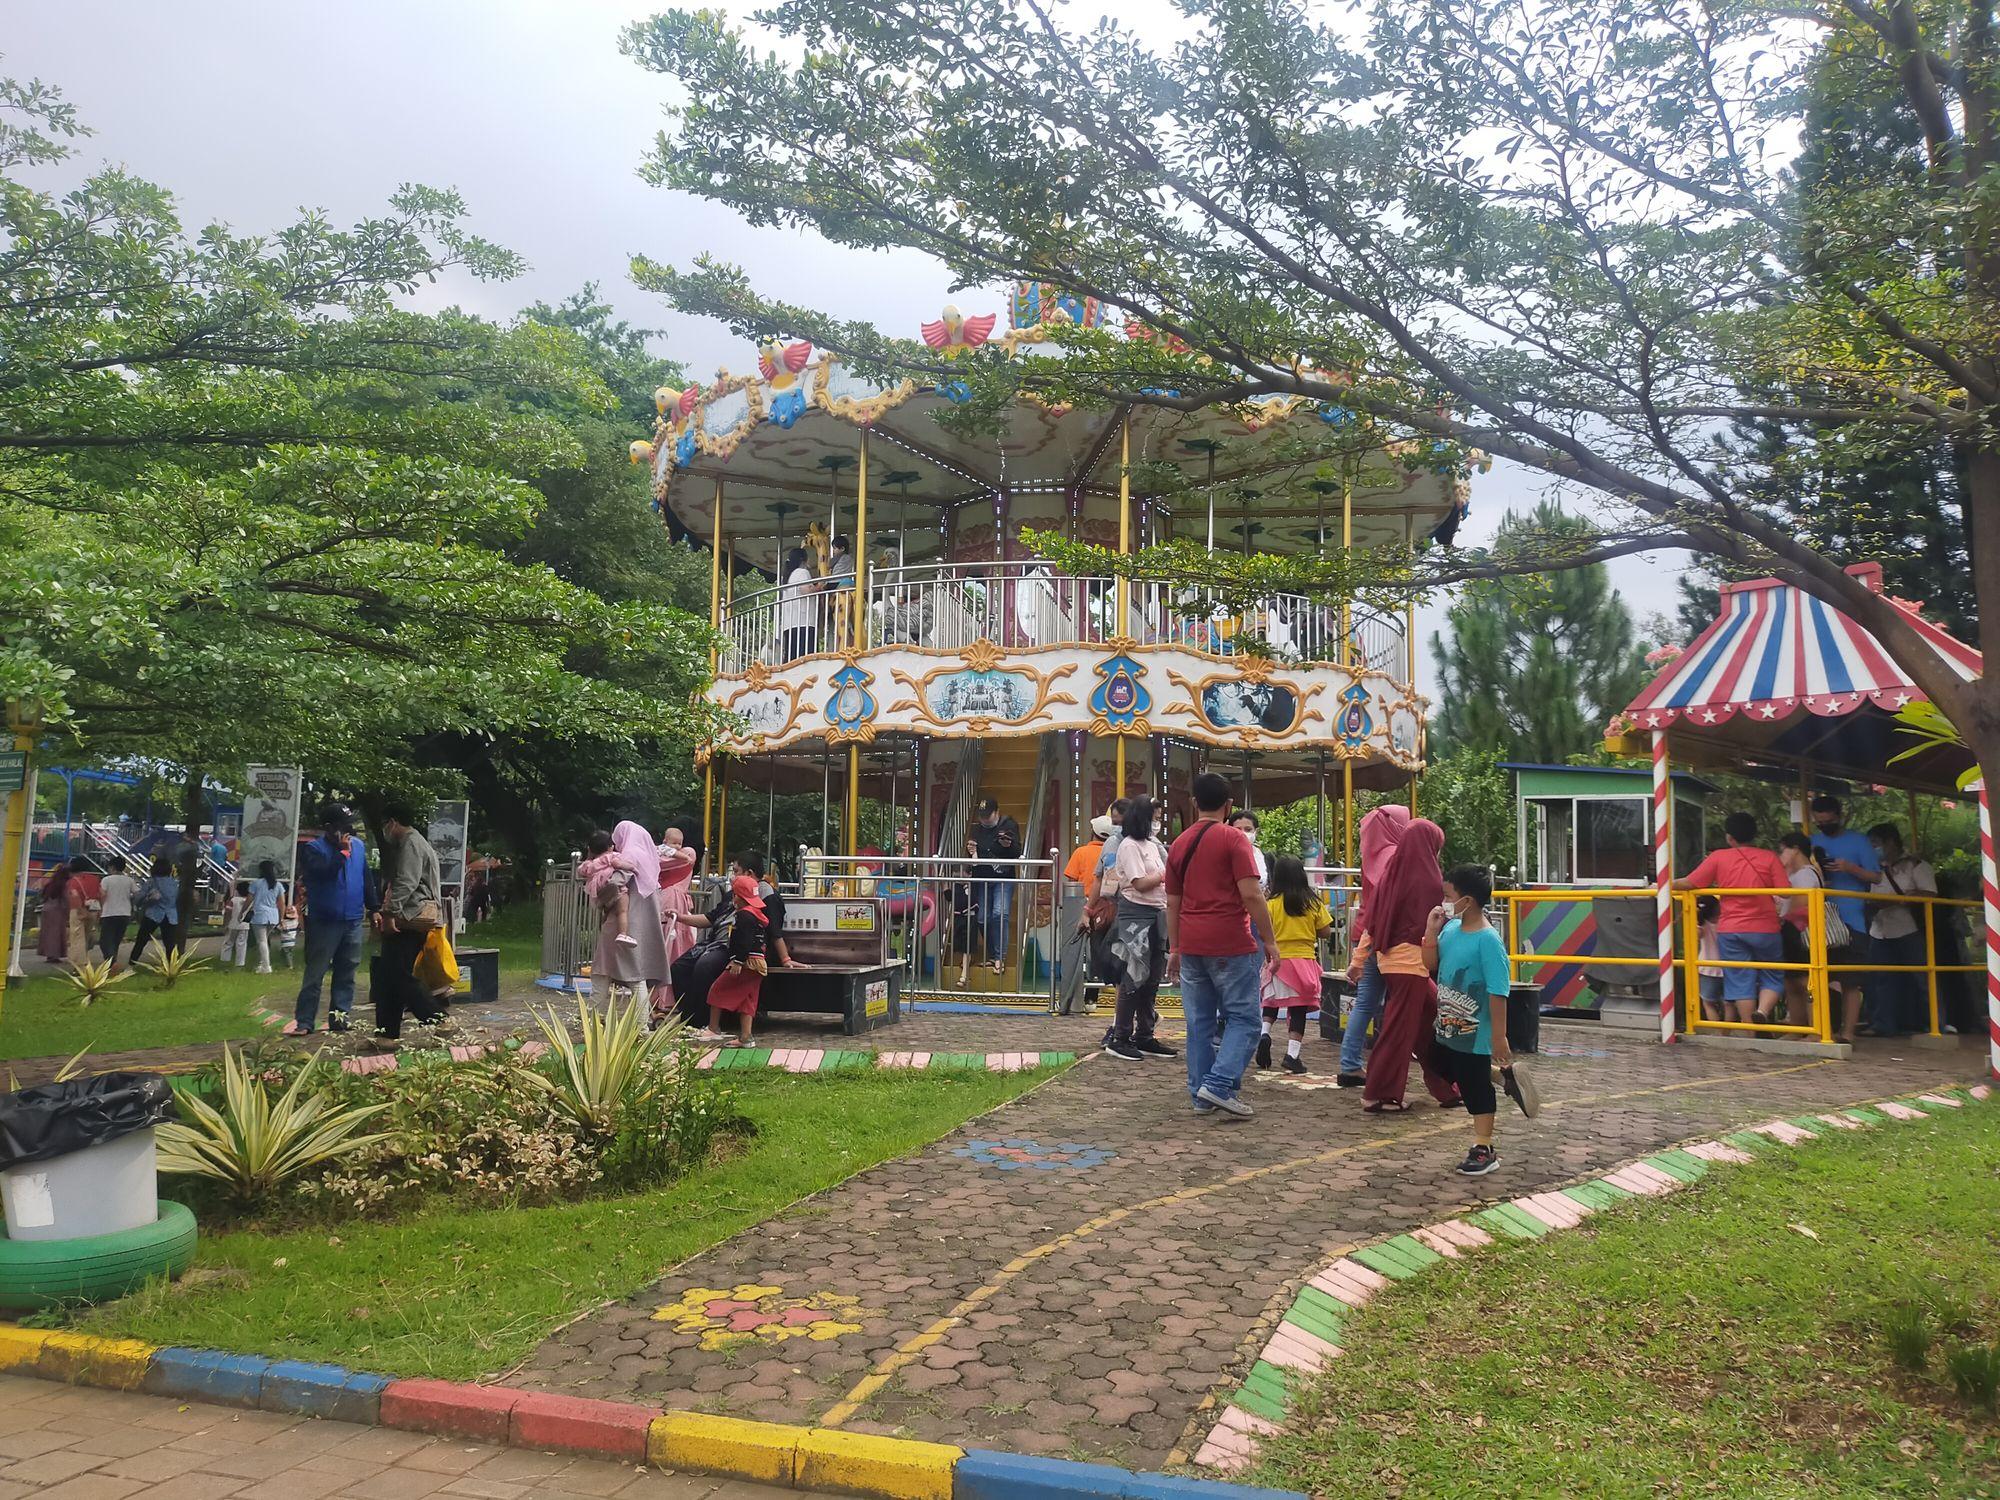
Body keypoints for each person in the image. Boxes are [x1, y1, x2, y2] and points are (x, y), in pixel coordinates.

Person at [1165, 772, 1280, 1118]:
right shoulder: (1235, 840)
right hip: (1231, 940)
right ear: (1229, 806)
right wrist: (1271, 941)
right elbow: (1250, 893)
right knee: (1244, 1018)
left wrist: (1175, 947)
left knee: (1199, 1022)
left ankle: (1201, 1095)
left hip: (1192, 941)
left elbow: (1172, 901)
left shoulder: (1179, 844)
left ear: (1195, 803)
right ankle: (1218, 1084)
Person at [1425, 863, 1533, 1176]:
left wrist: (1498, 1037)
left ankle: (1484, 1147)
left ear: (1468, 901)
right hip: (1447, 1024)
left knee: (1473, 1087)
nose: (1444, 902)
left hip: (1475, 1031)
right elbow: (1430, 964)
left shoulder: (1488, 941)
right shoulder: (1450, 930)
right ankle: (1503, 1078)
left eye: (1448, 896)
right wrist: (1430, 932)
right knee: (1439, 1064)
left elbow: (1498, 991)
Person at [1360, 818, 1460, 1113]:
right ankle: (1379, 1094)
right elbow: (1438, 923)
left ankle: (1447, 1088)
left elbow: (1372, 922)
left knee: (1431, 1022)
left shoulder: (1390, 874)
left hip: (1389, 959)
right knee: (1401, 1030)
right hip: (1411, 963)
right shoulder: (1429, 879)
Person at [1675, 811, 1789, 1028]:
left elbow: (1691, 883)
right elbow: (1785, 893)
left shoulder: (1719, 857)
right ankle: (1762, 1012)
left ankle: (1749, 1028)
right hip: (1765, 927)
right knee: (1773, 974)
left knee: (1739, 978)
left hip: (1730, 929)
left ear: (1729, 837)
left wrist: (1664, 884)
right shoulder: (1769, 857)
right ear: (1754, 834)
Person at [289, 802, 374, 1036]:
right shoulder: (314, 849)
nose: (347, 830)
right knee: (316, 973)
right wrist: (342, 854)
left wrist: (374, 907)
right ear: (329, 827)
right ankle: (305, 1021)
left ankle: (340, 1018)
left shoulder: (358, 846)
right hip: (324, 920)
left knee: (347, 971)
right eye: (342, 826)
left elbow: (366, 879)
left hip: (353, 919)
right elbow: (323, 873)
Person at [1101, 797, 1176, 1061]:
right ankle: (1121, 1036)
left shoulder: (1151, 846)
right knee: (1133, 977)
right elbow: (1140, 882)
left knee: (1152, 979)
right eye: (1154, 817)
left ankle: (1145, 1034)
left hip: (1157, 913)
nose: (1157, 823)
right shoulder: (1130, 846)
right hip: (1136, 914)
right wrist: (1166, 875)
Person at [1341, 805, 1410, 1088]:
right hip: (1385, 938)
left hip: (1366, 934)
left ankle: (1349, 1064)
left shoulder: (1373, 853)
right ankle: (1388, 1065)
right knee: (1396, 1003)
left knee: (1366, 1003)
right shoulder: (1393, 855)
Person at [1810, 795, 1881, 1044]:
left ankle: (1848, 1032)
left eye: (1828, 821)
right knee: (1819, 977)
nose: (1824, 826)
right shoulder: (1813, 842)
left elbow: (1876, 877)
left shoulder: (1859, 841)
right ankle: (1821, 1030)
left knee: (1851, 980)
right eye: (1819, 822)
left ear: (1839, 817)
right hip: (1822, 919)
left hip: (1853, 920)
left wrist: (1850, 869)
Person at [374, 803, 445, 1042]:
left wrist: (390, 913)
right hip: (408, 915)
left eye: (385, 825)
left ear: (393, 823)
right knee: (388, 977)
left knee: (398, 974)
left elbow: (407, 881)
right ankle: (386, 1033)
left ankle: (437, 1018)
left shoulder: (411, 843)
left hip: (410, 916)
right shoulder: (414, 842)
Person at [1261, 854, 1329, 1074]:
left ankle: (1264, 1034)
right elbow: (1326, 931)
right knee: (1298, 1009)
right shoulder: (1312, 902)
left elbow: (1264, 931)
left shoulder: (1271, 903)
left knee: (1271, 1003)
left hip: (1277, 961)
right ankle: (1292, 1055)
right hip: (1303, 960)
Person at [590, 821, 671, 1004]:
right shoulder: (648, 858)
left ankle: (593, 1017)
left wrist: (600, 898)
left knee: (604, 969)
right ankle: (641, 1024)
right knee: (636, 972)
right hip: (643, 923)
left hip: (621, 922)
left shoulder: (628, 855)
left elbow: (615, 883)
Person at [1868, 823, 1937, 1035]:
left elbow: (1931, 894)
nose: (1873, 849)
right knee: (1881, 980)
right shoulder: (1872, 869)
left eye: (1876, 844)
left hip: (1908, 928)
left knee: (1924, 977)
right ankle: (1883, 1024)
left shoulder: (1915, 866)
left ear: (1890, 842)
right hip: (1880, 929)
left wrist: (1900, 900)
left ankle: (1936, 1024)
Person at [703, 874, 774, 1045]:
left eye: (734, 894)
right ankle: (746, 1037)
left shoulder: (744, 916)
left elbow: (744, 941)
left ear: (738, 897)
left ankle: (713, 1028)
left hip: (746, 962)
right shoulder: (756, 914)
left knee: (717, 989)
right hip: (758, 963)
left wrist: (738, 961)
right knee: (748, 999)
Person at [1057, 814, 1110, 1017]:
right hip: (1103, 906)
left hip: (1079, 905)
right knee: (1096, 951)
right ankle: (1092, 997)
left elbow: (1070, 877)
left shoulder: (1081, 852)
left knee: (1076, 952)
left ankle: (1071, 996)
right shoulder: (1110, 852)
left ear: (1093, 832)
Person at [966, 797, 1021, 978]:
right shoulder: (976, 829)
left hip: (1003, 877)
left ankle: (999, 957)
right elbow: (972, 856)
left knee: (1000, 913)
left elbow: (1016, 853)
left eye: (988, 816)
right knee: (982, 918)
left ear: (997, 812)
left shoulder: (1009, 825)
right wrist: (971, 852)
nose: (984, 820)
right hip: (983, 877)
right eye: (982, 816)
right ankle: (992, 952)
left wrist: (1007, 846)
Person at [1776, 832, 1822, 1029]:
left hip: (1801, 932)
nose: (1780, 855)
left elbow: (1799, 905)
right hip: (1791, 931)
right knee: (1791, 982)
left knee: (1805, 982)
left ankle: (1815, 1027)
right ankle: (1798, 1025)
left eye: (1783, 850)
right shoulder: (1794, 874)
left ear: (1794, 849)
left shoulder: (1806, 874)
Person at [654, 826, 700, 1024]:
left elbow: (660, 864)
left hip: (671, 899)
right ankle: (662, 995)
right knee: (668, 946)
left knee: (671, 947)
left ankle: (667, 996)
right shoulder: (680, 853)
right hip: (669, 899)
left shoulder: (687, 853)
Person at [578, 830, 642, 950]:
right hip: (612, 886)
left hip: (599, 893)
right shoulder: (611, 856)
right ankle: (623, 934)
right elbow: (617, 864)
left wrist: (589, 856)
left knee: (607, 911)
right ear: (610, 846)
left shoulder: (589, 864)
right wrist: (632, 868)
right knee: (622, 911)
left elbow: (581, 871)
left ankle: (604, 927)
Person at [128, 855, 183, 966]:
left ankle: (132, 963)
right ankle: (172, 966)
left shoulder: (151, 882)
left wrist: (144, 900)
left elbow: (139, 898)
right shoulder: (174, 883)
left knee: (141, 940)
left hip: (153, 914)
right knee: (170, 943)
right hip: (170, 915)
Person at [776, 547, 819, 659]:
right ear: (803, 560)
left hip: (789, 623)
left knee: (792, 658)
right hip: (804, 622)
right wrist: (819, 587)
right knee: (807, 658)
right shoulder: (802, 572)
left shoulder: (786, 576)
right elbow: (806, 590)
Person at [248, 860, 285, 974]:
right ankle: (261, 964)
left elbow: (249, 899)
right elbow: (281, 903)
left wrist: (243, 912)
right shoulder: (278, 885)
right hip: (273, 916)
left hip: (259, 915)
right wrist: (281, 918)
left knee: (261, 941)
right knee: (264, 940)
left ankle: (266, 966)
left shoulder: (256, 883)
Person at [97, 855, 135, 966]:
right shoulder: (129, 880)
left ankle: (112, 961)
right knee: (116, 940)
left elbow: (103, 895)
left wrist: (100, 908)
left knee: (104, 941)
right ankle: (112, 961)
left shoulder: (106, 880)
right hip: (124, 913)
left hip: (109, 912)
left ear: (112, 867)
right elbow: (136, 893)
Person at [1694, 895, 1725, 1023]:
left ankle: (1718, 1032)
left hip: (1707, 968)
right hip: (1729, 967)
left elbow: (1695, 936)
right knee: (1728, 1004)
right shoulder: (1725, 922)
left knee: (1708, 1003)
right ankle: (1727, 1033)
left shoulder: (1700, 926)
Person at [65, 858, 102, 966]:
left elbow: (74, 895)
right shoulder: (95, 879)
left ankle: (79, 965)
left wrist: (81, 910)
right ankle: (85, 959)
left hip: (78, 910)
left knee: (77, 938)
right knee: (86, 936)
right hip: (93, 910)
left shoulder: (73, 881)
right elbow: (101, 894)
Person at [35, 862, 72, 966]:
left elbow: (42, 895)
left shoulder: (50, 884)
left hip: (47, 909)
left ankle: (48, 954)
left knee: (47, 933)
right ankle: (54, 955)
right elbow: (66, 900)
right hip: (57, 910)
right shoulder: (64, 885)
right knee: (56, 933)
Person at [1230, 811, 1268, 886]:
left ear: (1256, 832)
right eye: (1238, 829)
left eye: (1248, 829)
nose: (1242, 833)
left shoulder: (1266, 858)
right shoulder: (1225, 857)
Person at [221, 879, 252, 968]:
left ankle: (225, 961)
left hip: (232, 925)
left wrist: (225, 924)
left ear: (237, 890)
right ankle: (240, 964)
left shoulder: (233, 900)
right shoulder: (249, 901)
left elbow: (228, 912)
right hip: (244, 926)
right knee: (241, 944)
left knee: (228, 943)